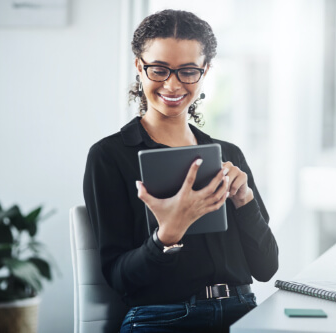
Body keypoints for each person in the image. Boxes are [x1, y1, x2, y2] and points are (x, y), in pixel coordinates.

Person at [83, 9, 279, 333]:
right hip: (161, 318)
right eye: (158, 69)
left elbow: (266, 267)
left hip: (242, 312)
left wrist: (245, 201)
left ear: (205, 71)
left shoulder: (229, 156)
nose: (172, 84)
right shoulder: (110, 157)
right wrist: (167, 235)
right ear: (139, 67)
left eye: (188, 71)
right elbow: (119, 279)